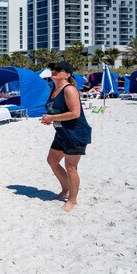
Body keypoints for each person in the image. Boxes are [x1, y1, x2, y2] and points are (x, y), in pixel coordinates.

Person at [42, 61, 92, 213]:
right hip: (62, 132)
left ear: (68, 74)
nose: (54, 71)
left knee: (71, 166)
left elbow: (75, 113)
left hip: (75, 133)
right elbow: (56, 111)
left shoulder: (69, 89)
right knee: (52, 160)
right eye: (53, 69)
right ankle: (66, 188)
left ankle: (72, 200)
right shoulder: (53, 90)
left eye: (58, 69)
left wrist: (51, 118)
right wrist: (49, 118)